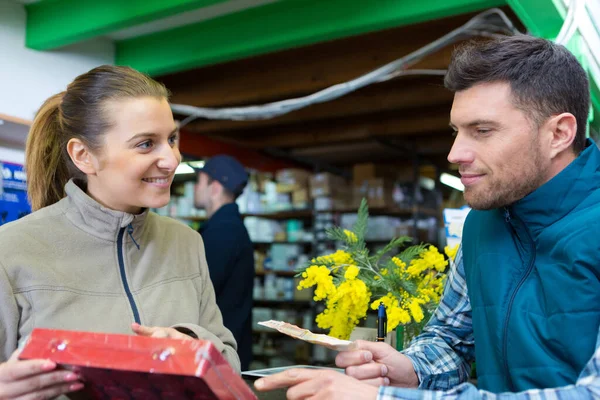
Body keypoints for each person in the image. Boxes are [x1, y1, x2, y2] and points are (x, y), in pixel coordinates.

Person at [254, 34, 600, 399]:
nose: (454, 153)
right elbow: (451, 339)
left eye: (482, 130)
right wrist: (409, 370)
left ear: (559, 133)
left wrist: (382, 399)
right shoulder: (483, 224)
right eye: (456, 131)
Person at [0, 65, 239, 399]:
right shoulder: (10, 250)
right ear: (84, 156)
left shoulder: (187, 243)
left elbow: (230, 363)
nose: (171, 159)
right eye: (145, 144)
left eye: (171, 138)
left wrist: (193, 342)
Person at [194, 155, 255, 371]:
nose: (195, 188)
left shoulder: (223, 231)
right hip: (225, 349)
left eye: (199, 181)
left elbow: (199, 291)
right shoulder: (228, 227)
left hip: (220, 354)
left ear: (215, 187)